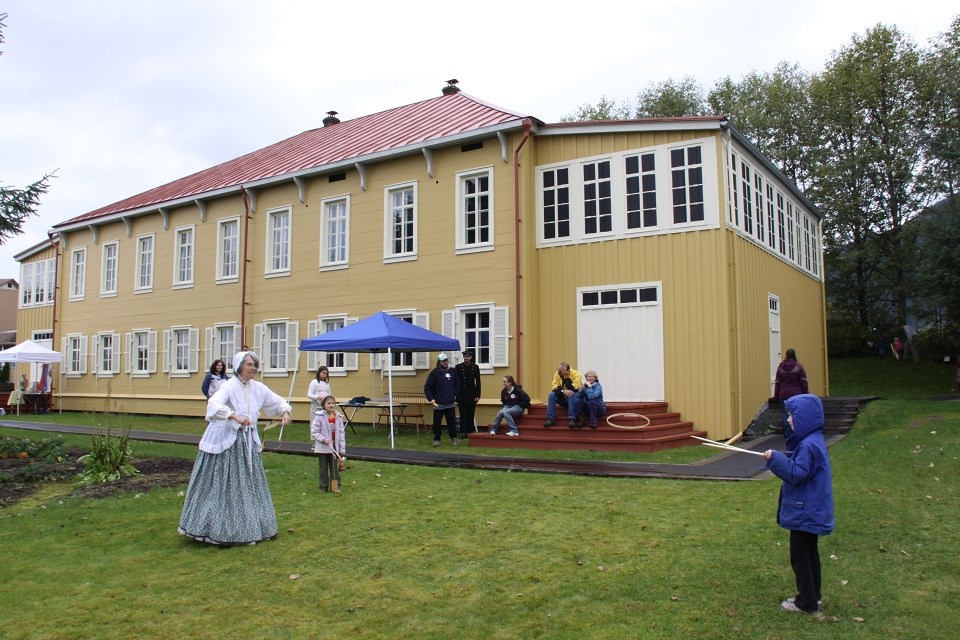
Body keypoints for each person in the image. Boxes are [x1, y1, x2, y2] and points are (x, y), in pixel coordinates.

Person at [178, 351, 292, 546]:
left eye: (255, 365)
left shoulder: (258, 388)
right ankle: (216, 527)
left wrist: (285, 411)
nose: (253, 368)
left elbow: (277, 401)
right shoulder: (228, 386)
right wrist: (233, 415)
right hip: (226, 443)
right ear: (239, 366)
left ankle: (250, 526)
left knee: (248, 484)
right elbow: (213, 405)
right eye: (249, 365)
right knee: (222, 484)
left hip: (246, 442)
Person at [762, 394, 834, 615]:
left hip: (805, 510)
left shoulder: (809, 445)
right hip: (809, 509)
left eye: (793, 415)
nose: (790, 420)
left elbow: (796, 473)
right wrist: (783, 457)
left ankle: (806, 603)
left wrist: (775, 459)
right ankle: (814, 596)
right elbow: (800, 466)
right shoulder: (812, 442)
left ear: (806, 418)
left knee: (800, 556)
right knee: (810, 554)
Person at [310, 395, 346, 494]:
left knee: (334, 468)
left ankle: (335, 487)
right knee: (323, 468)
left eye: (333, 403)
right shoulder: (319, 417)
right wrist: (323, 439)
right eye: (328, 403)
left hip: (334, 448)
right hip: (323, 448)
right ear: (324, 405)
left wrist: (342, 450)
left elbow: (341, 434)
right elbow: (314, 431)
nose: (331, 405)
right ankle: (323, 487)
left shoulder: (338, 417)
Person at [424, 353, 460, 446]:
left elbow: (457, 384)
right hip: (438, 404)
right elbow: (427, 387)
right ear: (439, 362)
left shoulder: (452, 371)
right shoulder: (434, 373)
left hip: (450, 403)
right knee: (437, 424)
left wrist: (454, 394)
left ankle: (454, 438)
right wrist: (431, 399)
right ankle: (437, 439)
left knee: (451, 423)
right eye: (443, 361)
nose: (445, 362)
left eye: (446, 360)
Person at [774, 348, 808, 440]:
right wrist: (806, 394)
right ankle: (796, 433)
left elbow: (777, 382)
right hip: (796, 394)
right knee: (796, 413)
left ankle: (787, 435)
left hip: (783, 394)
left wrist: (776, 396)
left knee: (785, 414)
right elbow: (804, 382)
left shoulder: (780, 367)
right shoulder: (798, 366)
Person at [543, 361, 582, 427]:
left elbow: (574, 388)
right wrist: (562, 391)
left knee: (571, 393)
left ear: (568, 370)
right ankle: (550, 419)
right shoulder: (557, 374)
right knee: (551, 395)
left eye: (560, 372)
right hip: (563, 397)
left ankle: (572, 419)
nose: (559, 373)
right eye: (559, 371)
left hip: (574, 399)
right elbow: (554, 386)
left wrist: (566, 378)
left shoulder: (577, 374)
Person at [454, 350, 481, 436]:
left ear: (471, 357)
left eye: (468, 356)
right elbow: (455, 382)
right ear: (463, 357)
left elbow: (478, 382)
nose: (467, 358)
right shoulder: (458, 367)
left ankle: (470, 431)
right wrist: (456, 394)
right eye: (465, 356)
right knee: (462, 414)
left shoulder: (475, 367)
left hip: (472, 394)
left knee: (470, 413)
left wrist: (478, 395)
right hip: (461, 393)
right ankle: (463, 431)